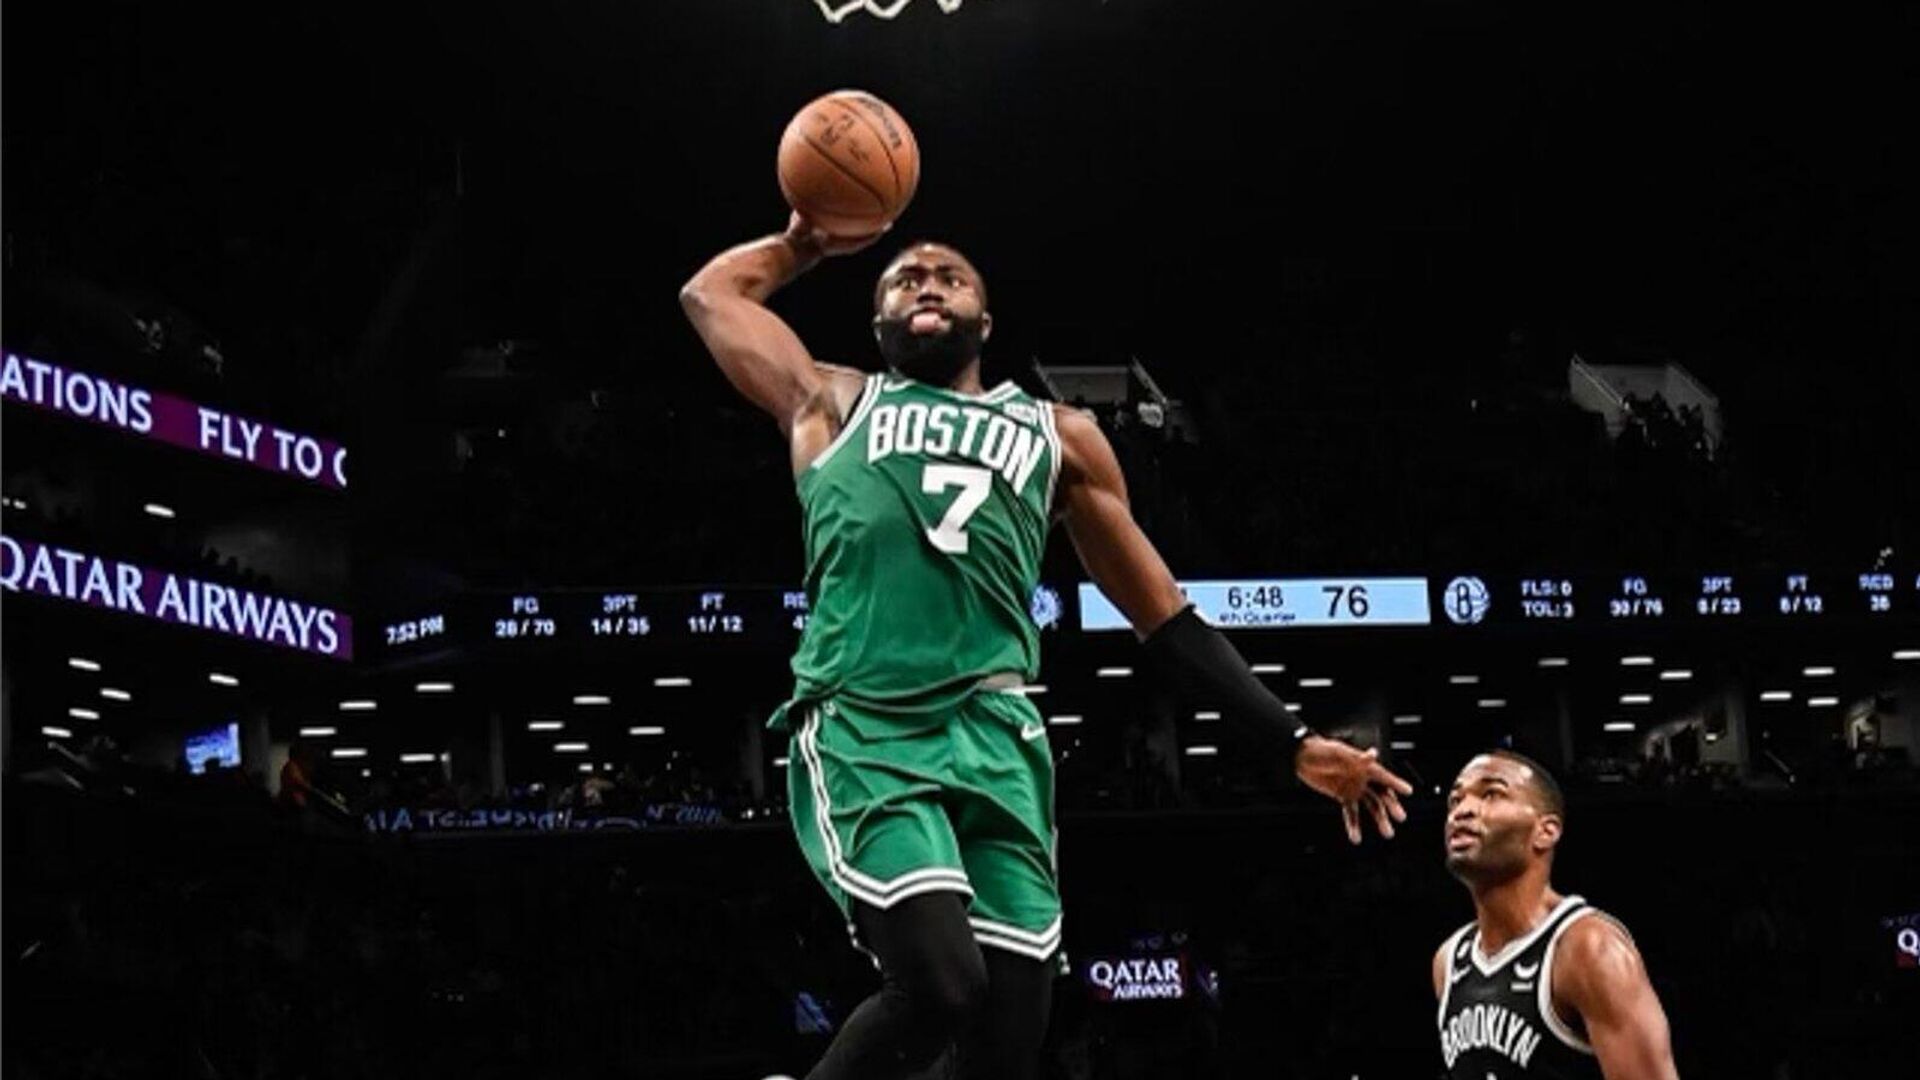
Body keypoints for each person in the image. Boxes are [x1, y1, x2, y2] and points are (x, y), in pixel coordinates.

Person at [681, 214, 1412, 1080]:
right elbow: (710, 296)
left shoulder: (1061, 436)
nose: (926, 283)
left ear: (985, 322)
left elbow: (1164, 615)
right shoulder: (830, 401)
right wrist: (807, 241)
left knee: (1007, 1035)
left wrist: (1290, 742)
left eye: (949, 277)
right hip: (869, 725)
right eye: (904, 279)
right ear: (877, 325)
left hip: (998, 735)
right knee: (940, 986)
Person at [1434, 751, 1678, 1078]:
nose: (1462, 810)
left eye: (1491, 794)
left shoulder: (1589, 949)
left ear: (1545, 831)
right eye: (1455, 799)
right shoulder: (1449, 960)